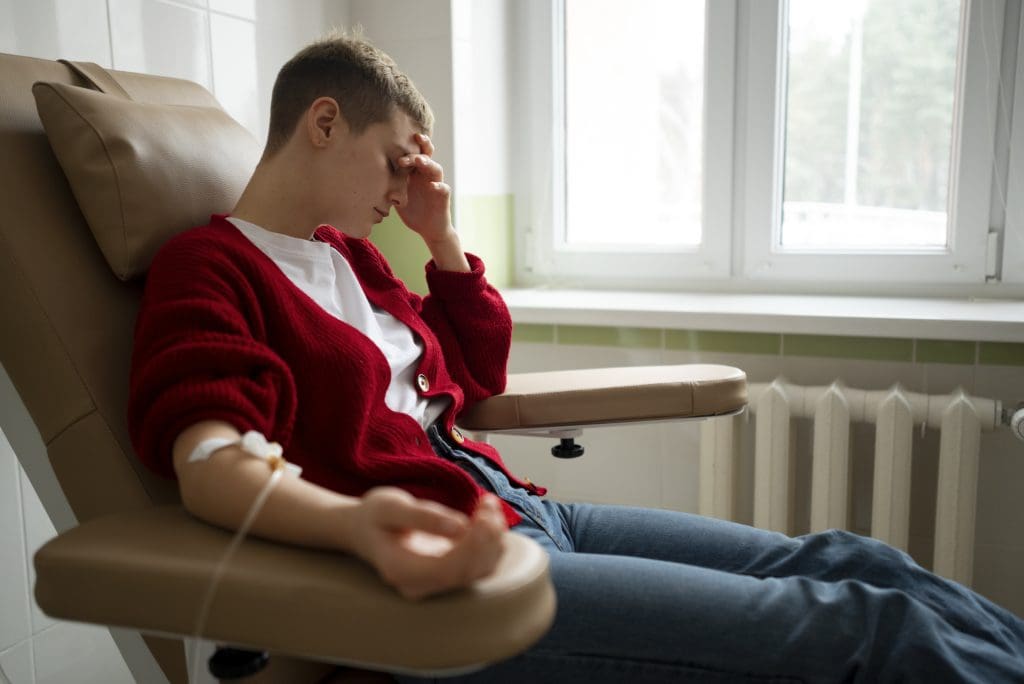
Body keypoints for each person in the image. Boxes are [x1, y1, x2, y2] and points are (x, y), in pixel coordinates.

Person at [128, 31, 1024, 683]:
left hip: (526, 512)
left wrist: (439, 239)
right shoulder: (210, 267)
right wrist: (358, 525)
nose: (405, 189)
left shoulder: (353, 258)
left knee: (853, 562)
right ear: (324, 123)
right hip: (465, 580)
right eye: (396, 164)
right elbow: (211, 464)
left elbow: (474, 377)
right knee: (859, 629)